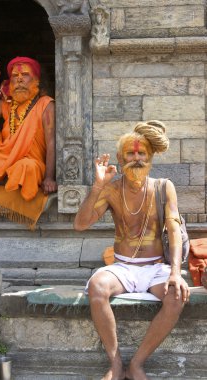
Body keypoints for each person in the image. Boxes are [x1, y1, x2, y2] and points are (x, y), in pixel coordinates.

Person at [74, 120, 190, 380]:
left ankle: (136, 364)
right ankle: (115, 365)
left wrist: (175, 273)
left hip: (156, 267)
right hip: (123, 268)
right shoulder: (112, 190)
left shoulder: (163, 186)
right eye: (130, 153)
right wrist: (97, 186)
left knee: (176, 296)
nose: (136, 158)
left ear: (150, 157)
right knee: (97, 288)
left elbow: (173, 230)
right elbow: (80, 224)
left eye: (142, 153)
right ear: (120, 157)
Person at [0, 57, 57, 227]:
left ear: (37, 80)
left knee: (26, 167)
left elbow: (51, 142)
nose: (19, 79)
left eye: (25, 74)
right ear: (10, 82)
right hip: (4, 164)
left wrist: (49, 177)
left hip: (32, 165)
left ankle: (7, 184)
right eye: (15, 75)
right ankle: (3, 180)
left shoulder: (45, 104)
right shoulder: (7, 105)